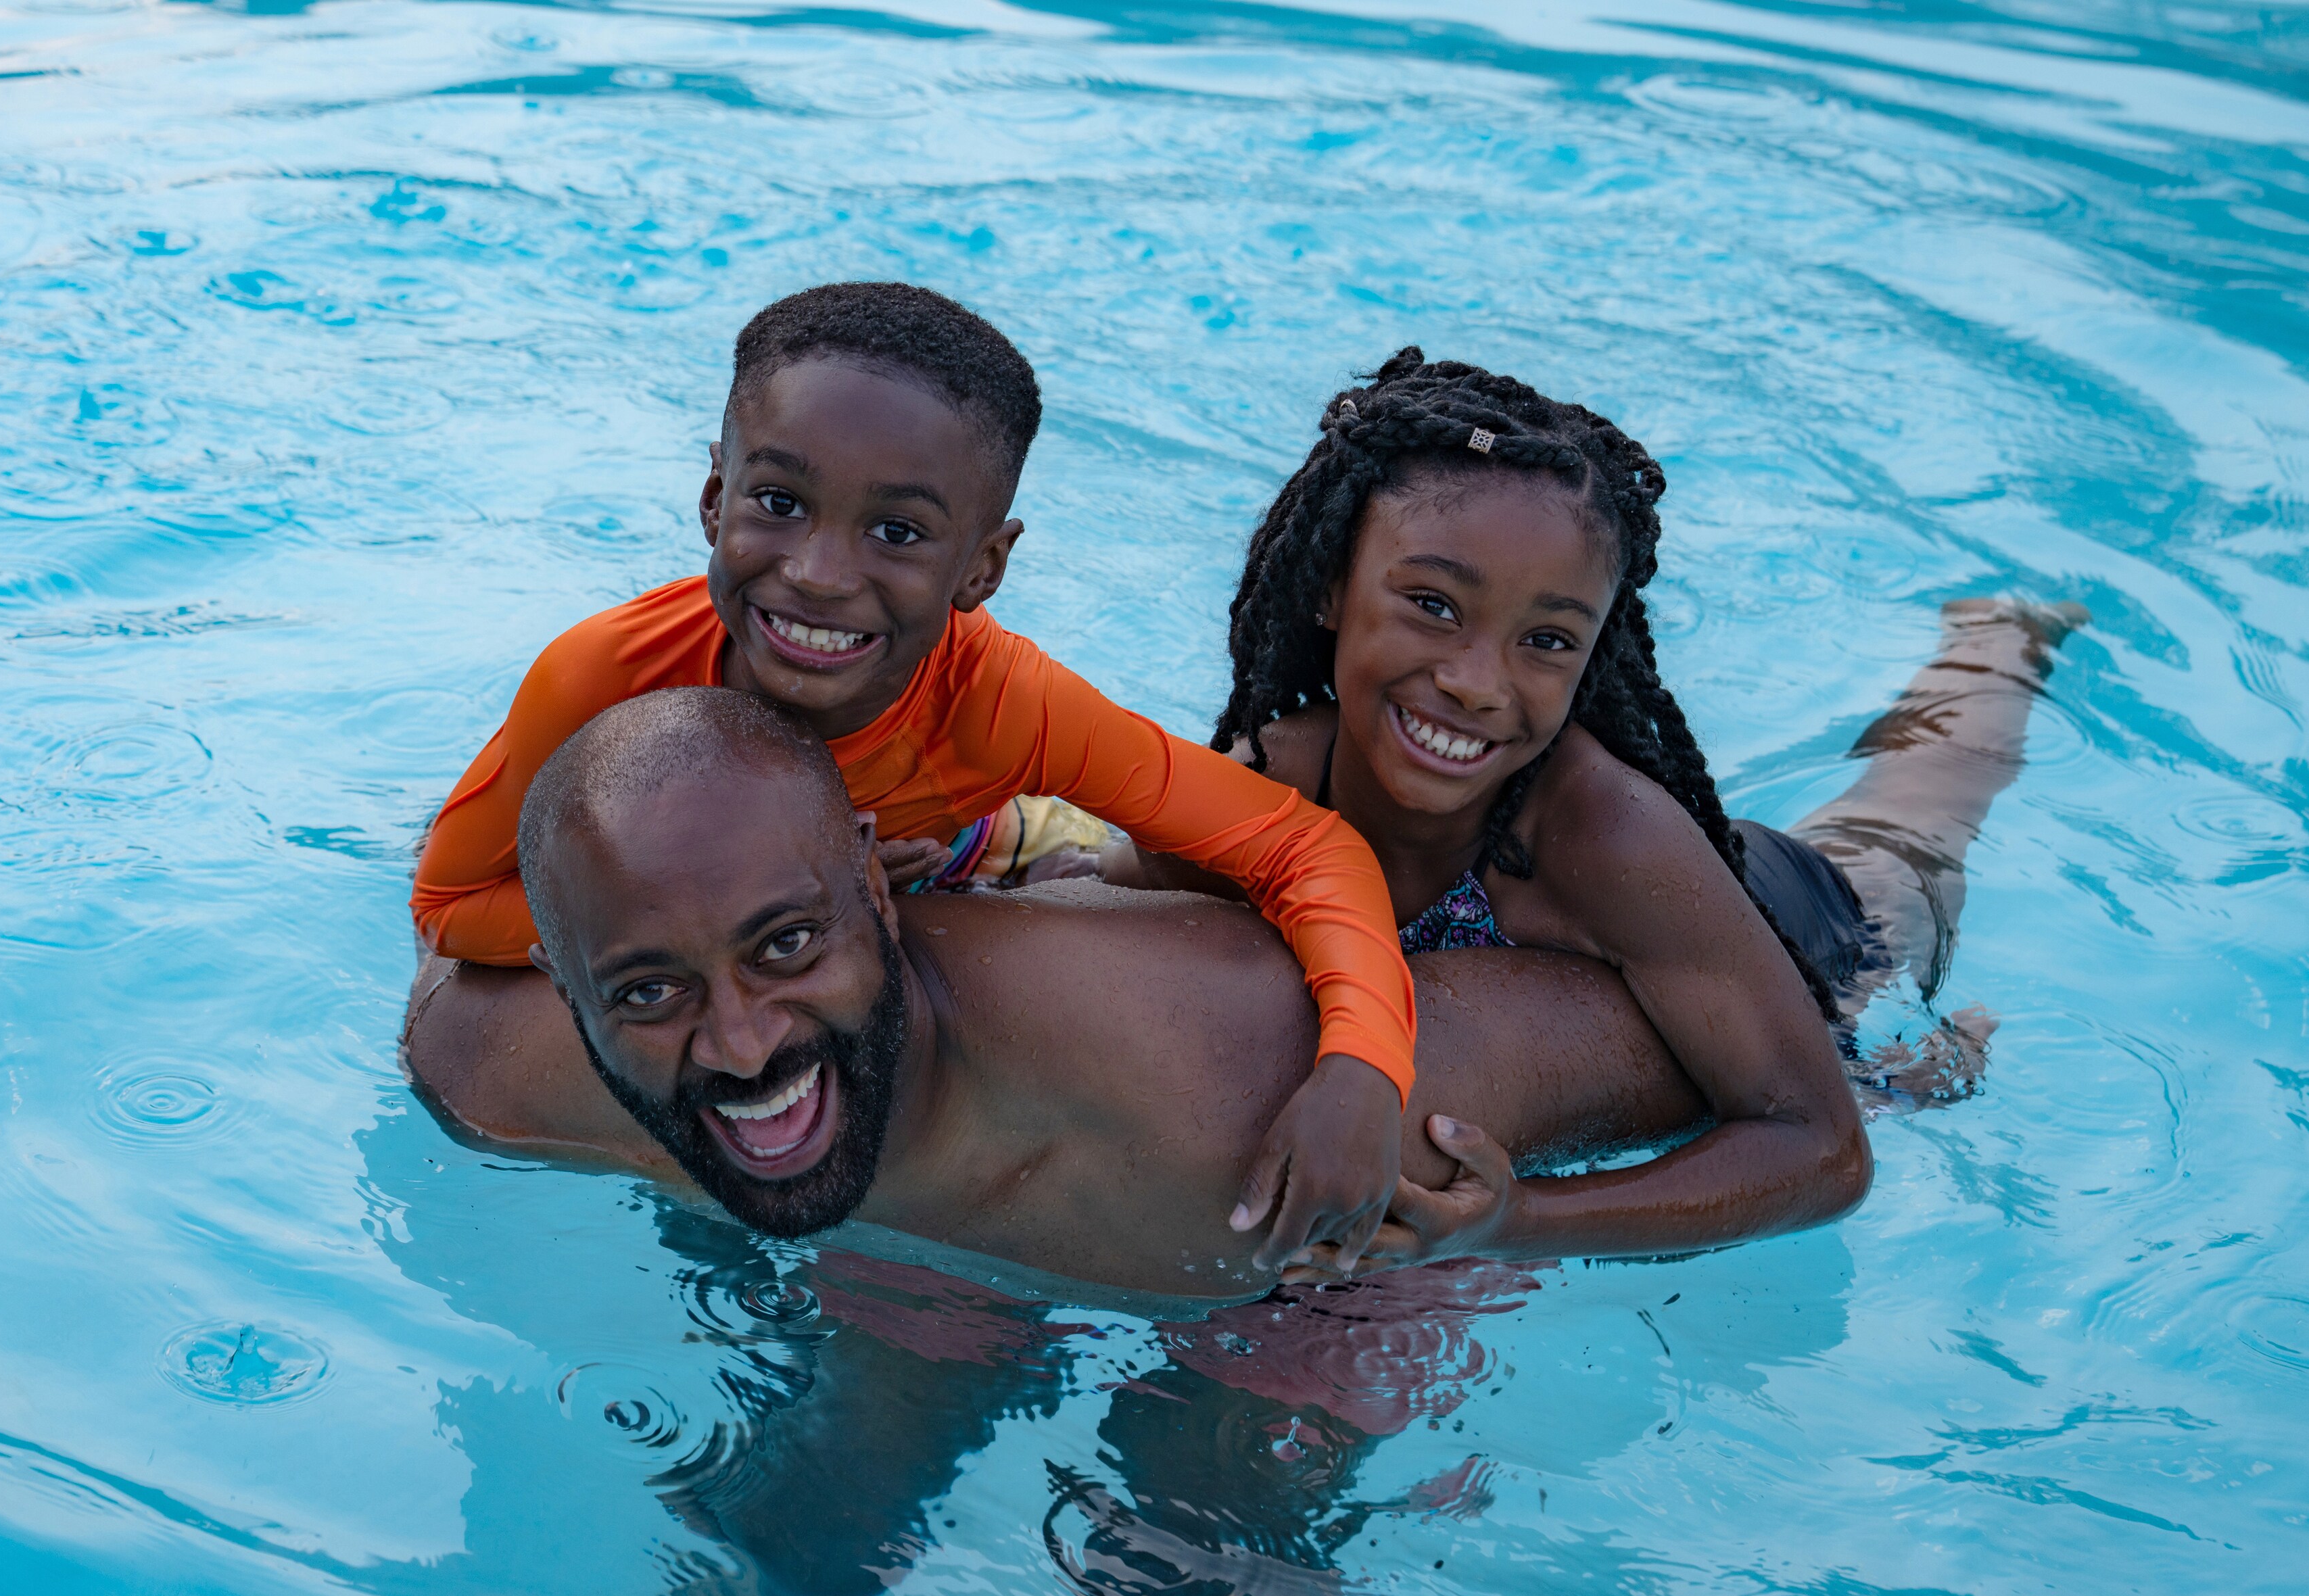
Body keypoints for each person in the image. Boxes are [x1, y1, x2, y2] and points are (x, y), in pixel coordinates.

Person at [409, 283, 1417, 1274]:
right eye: (777, 501)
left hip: (971, 849)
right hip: (865, 881)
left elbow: (1300, 842)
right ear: (714, 496)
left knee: (1122, 873)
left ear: (981, 568)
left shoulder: (1002, 704)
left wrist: (1364, 1064)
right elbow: (451, 902)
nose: (817, 573)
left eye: (896, 532)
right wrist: (671, 933)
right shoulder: (604, 678)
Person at [1101, 351, 2082, 1282]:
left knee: (1912, 822)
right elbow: (1120, 884)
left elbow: (1825, 1152)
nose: (1476, 683)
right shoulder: (1267, 781)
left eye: (1545, 639)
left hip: (1806, 922)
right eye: (1433, 604)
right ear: (1329, 587)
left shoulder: (1600, 833)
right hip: (1674, 912)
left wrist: (1515, 1220)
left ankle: (2001, 645)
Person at [401, 686, 1865, 1304]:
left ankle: (1987, 667)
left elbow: (1762, 1102)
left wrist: (1520, 1222)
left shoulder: (1236, 1097)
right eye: (647, 986)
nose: (735, 1041)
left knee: (1905, 837)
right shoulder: (502, 1068)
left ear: (876, 883)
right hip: (1239, 879)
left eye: (787, 946)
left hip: (1763, 925)